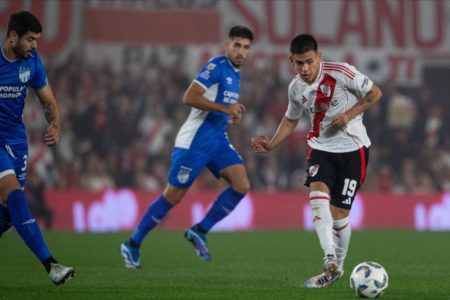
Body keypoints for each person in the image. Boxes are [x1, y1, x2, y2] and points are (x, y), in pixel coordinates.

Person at [251, 34, 382, 288]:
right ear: (291, 61)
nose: (305, 69)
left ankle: (338, 270)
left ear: (319, 56)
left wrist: (349, 114)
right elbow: (291, 120)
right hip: (320, 148)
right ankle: (329, 258)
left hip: (354, 150)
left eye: (309, 61)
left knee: (340, 215)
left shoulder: (342, 72)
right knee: (317, 195)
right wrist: (272, 144)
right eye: (299, 63)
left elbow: (375, 93)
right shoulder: (295, 88)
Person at [120, 26, 254, 268]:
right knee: (173, 196)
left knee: (242, 184)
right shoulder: (216, 67)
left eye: (246, 47)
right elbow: (189, 97)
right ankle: (132, 244)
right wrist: (225, 110)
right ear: (227, 46)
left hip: (218, 140)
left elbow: (219, 104)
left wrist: (229, 116)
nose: (241, 51)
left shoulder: (235, 74)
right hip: (194, 142)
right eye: (237, 45)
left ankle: (199, 231)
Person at [0, 11, 74, 285]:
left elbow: (49, 102)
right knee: (15, 195)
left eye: (37, 40)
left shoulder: (31, 62)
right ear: (12, 37)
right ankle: (51, 265)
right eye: (30, 40)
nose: (34, 46)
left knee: (8, 214)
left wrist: (55, 124)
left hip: (15, 141)